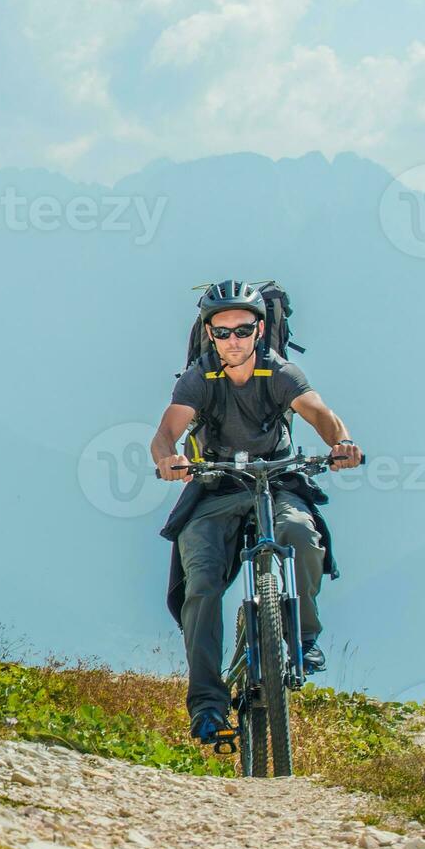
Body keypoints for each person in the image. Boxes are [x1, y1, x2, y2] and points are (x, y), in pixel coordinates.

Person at [149, 281, 363, 746]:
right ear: (209, 335)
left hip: (278, 480)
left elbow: (319, 412)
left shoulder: (279, 371)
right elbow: (166, 432)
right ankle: (207, 706)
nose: (233, 341)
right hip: (215, 487)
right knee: (201, 582)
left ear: (259, 329)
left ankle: (304, 639)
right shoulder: (199, 378)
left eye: (242, 330)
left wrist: (341, 442)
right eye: (221, 333)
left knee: (302, 536)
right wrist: (168, 458)